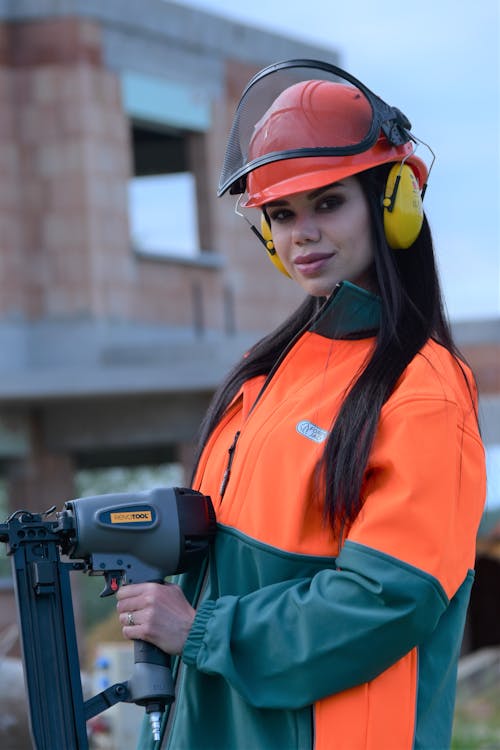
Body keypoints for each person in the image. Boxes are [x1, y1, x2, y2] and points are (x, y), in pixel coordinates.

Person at [116, 59, 487, 750]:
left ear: (392, 201)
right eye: (281, 215)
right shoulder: (264, 379)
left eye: (328, 202)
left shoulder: (424, 390)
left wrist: (196, 627)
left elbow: (385, 600)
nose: (301, 233)